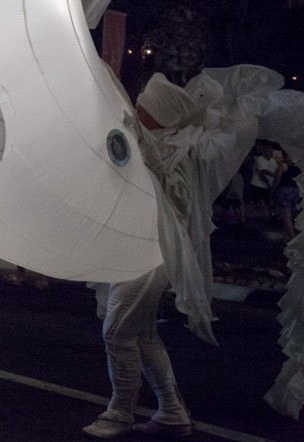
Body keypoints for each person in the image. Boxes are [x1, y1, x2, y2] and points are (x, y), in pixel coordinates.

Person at [82, 71, 266, 439]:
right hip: (136, 246)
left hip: (153, 252)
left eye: (143, 105)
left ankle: (120, 411)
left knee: (117, 332)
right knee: (144, 335)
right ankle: (172, 410)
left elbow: (156, 185)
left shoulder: (172, 153)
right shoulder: (153, 143)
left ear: (157, 115)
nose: (135, 108)